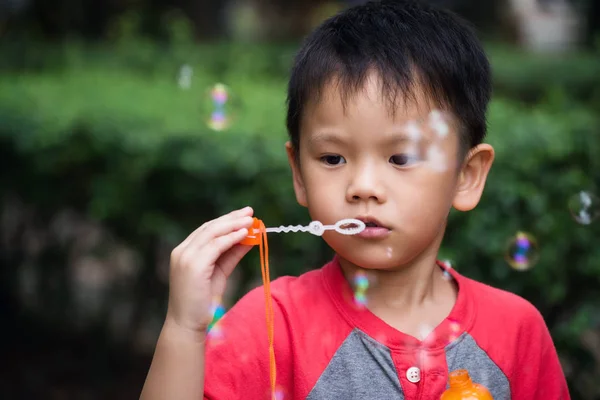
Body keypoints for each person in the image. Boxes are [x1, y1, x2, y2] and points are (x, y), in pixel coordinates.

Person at [140, 1, 570, 399]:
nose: (362, 186)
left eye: (401, 157)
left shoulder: (517, 331)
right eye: (333, 157)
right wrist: (184, 328)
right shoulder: (271, 324)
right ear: (299, 175)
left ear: (466, 176)